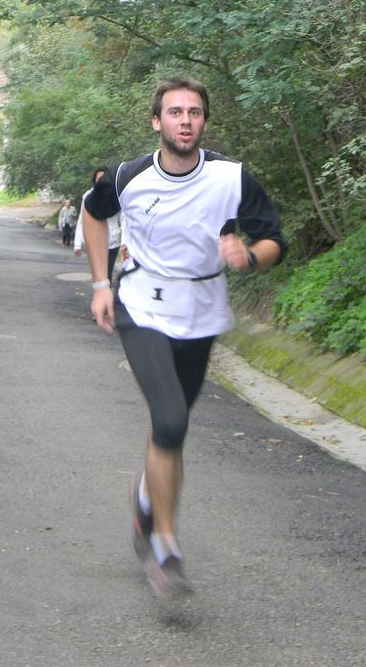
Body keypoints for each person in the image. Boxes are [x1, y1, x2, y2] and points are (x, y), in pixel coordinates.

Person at [82, 76, 285, 599]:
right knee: (170, 421)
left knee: (172, 429)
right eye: (175, 112)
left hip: (201, 312)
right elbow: (93, 214)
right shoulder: (128, 176)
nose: (185, 121)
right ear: (157, 122)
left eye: (194, 112)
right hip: (142, 305)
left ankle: (146, 496)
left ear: (204, 122)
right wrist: (101, 284)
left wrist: (248, 256)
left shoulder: (231, 178)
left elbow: (273, 240)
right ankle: (165, 546)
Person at [73, 166, 122, 283]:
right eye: (98, 178)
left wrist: (125, 241)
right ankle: (102, 291)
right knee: (98, 274)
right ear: (94, 180)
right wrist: (77, 244)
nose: (100, 180)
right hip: (95, 241)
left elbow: (124, 219)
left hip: (113, 240)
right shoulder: (88, 196)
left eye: (103, 178)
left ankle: (106, 290)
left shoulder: (116, 195)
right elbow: (82, 220)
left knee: (107, 273)